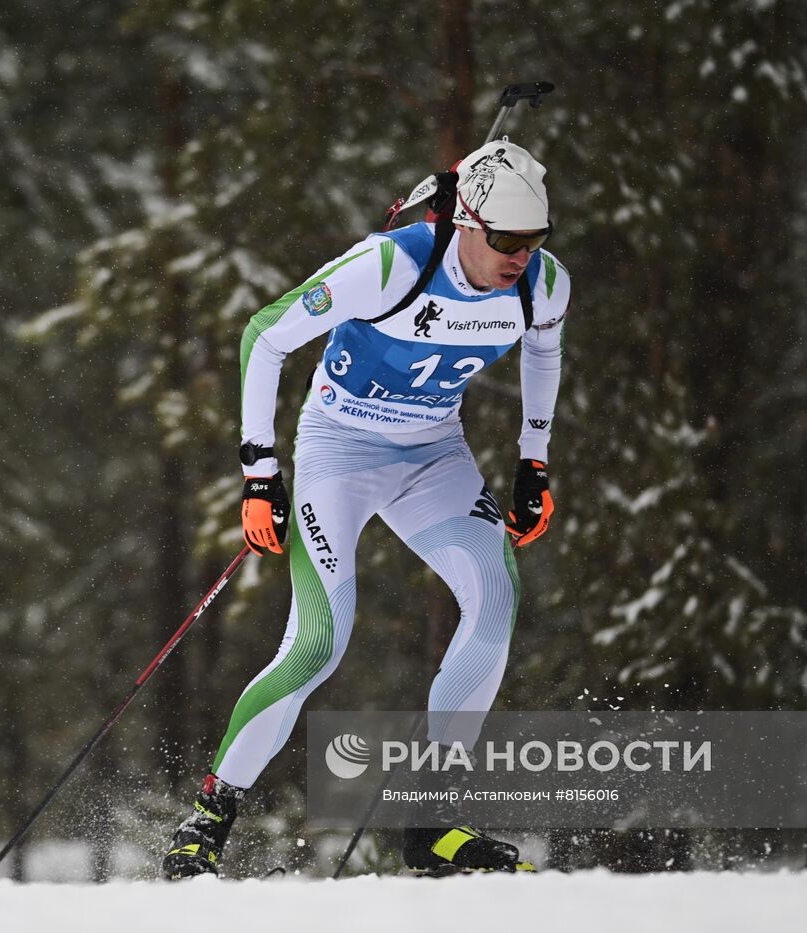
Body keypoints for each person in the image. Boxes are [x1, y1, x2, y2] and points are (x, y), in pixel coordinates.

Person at [162, 139, 570, 878]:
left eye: (536, 239)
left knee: (494, 600)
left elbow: (544, 353)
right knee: (318, 640)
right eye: (508, 239)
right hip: (338, 452)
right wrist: (260, 474)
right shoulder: (388, 266)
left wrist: (532, 461)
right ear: (468, 223)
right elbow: (265, 335)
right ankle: (208, 818)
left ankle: (434, 824)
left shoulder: (542, 285)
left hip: (434, 455)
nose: (522, 255)